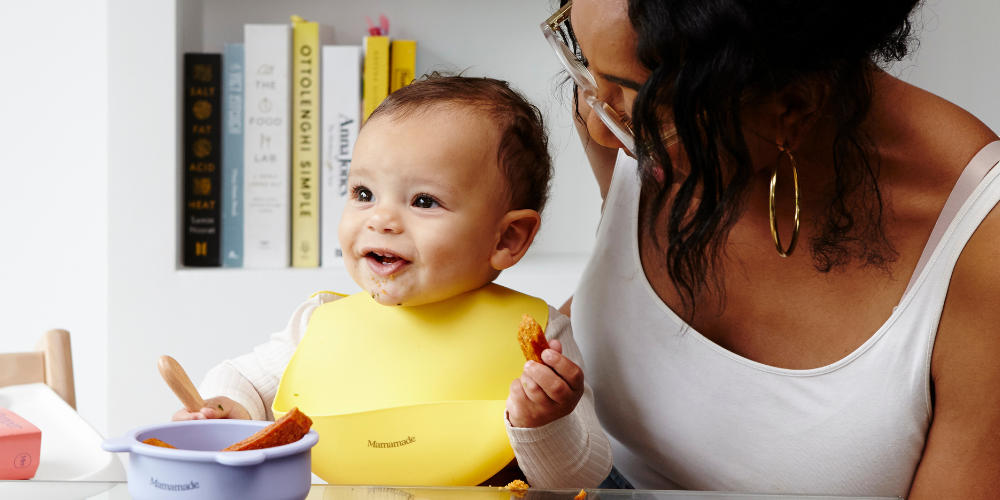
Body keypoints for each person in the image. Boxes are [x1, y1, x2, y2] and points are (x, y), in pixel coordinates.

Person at [509, 0, 1000, 497]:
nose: (595, 127)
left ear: (790, 109)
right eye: (581, 61)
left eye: (639, 102)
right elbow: (612, 306)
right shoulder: (616, 101)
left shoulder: (981, 241)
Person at [171, 74, 612, 485]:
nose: (380, 218)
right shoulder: (321, 322)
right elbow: (241, 379)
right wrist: (225, 410)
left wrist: (544, 422)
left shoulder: (541, 345)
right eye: (364, 193)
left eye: (423, 200)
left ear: (507, 237)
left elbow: (583, 475)